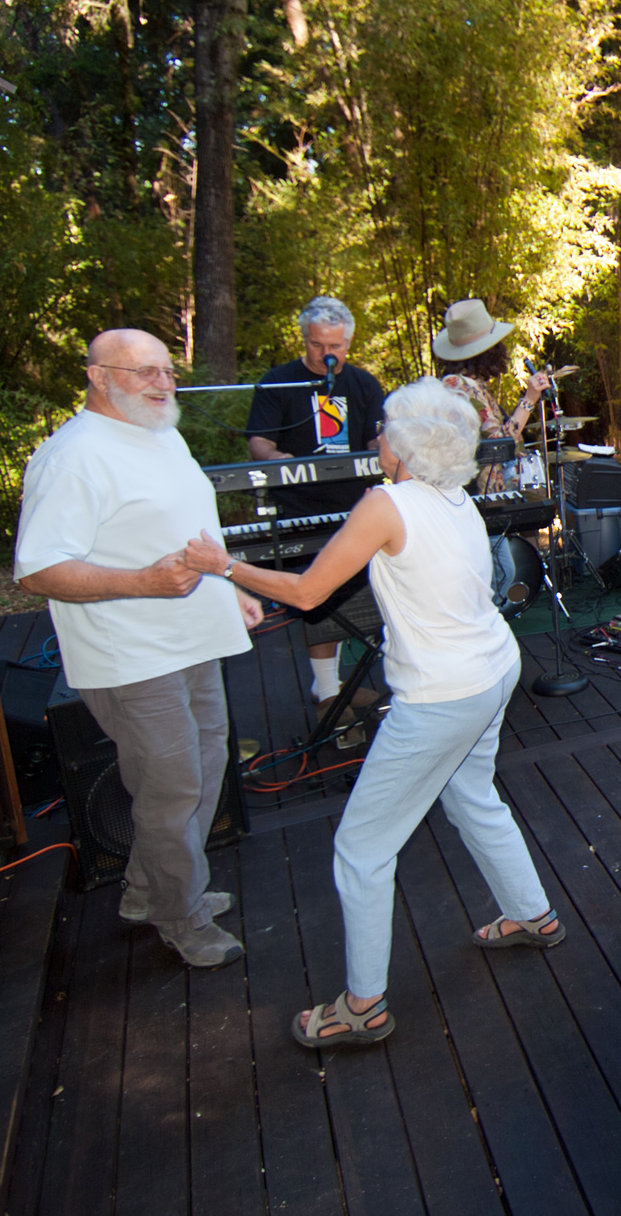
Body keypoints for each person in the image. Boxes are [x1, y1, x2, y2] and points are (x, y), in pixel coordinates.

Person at [185, 380, 564, 1047]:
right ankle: (532, 914)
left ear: (404, 444)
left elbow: (306, 593)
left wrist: (227, 567)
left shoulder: (384, 504)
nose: (375, 439)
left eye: (383, 429)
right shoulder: (458, 501)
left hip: (443, 696)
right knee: (473, 794)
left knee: (361, 848)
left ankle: (363, 1007)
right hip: (495, 671)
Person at [15, 329, 261, 968]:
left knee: (205, 771)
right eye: (143, 372)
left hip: (193, 638)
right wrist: (142, 583)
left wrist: (226, 588)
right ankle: (181, 915)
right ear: (98, 377)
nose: (162, 384)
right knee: (172, 787)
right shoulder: (71, 458)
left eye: (167, 371)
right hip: (131, 656)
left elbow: (188, 525)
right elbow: (38, 570)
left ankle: (147, 891)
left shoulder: (160, 432)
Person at [244, 296, 388, 709]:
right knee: (319, 595)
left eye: (336, 346)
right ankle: (326, 690)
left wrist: (387, 445)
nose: (328, 354)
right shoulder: (278, 381)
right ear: (303, 340)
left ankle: (343, 682)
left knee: (359, 595)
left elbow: (373, 437)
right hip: (301, 508)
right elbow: (260, 440)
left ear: (349, 343)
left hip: (358, 505)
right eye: (318, 345)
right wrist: (273, 458)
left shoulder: (363, 383)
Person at [432, 298, 557, 494]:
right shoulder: (459, 386)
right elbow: (498, 445)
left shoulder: (469, 383)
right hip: (480, 496)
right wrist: (528, 400)